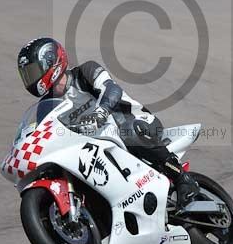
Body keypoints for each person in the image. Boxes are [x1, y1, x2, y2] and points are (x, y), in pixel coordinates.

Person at [17, 37, 199, 208]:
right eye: (26, 75)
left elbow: (112, 89)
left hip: (133, 123)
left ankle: (182, 178)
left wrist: (101, 111)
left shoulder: (85, 72)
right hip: (94, 147)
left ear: (51, 62)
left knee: (130, 130)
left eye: (32, 71)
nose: (30, 79)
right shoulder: (46, 106)